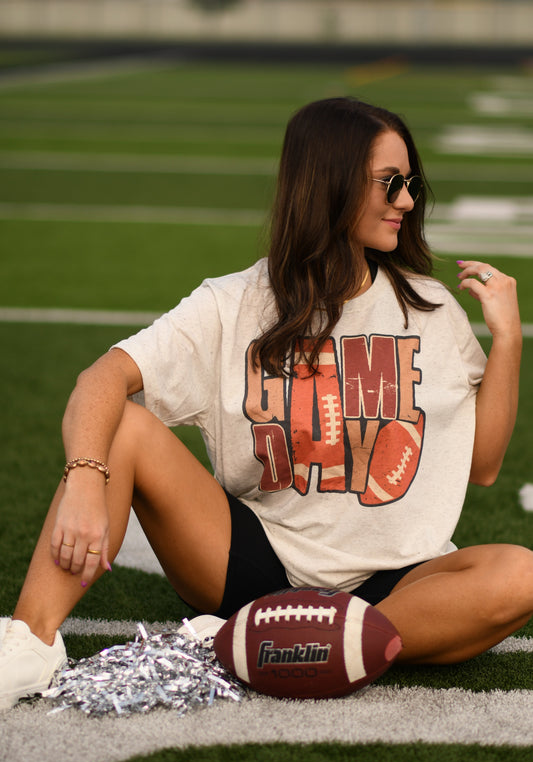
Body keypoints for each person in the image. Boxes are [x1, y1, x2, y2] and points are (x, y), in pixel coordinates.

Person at [1, 97, 532, 711]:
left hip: (395, 581)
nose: (407, 202)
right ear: (328, 184)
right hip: (255, 563)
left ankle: (262, 645)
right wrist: (86, 479)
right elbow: (101, 378)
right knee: (122, 426)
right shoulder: (232, 304)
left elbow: (484, 464)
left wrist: (509, 339)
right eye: (389, 184)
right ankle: (31, 641)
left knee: (517, 575)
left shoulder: (429, 308)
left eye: (410, 184)